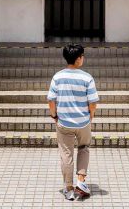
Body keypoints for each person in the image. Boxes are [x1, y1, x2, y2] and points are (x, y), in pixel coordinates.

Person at [47, 44, 99, 201]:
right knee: (84, 148)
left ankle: (69, 189)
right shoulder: (87, 77)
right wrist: (91, 116)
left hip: (64, 124)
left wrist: (55, 116)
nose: (83, 58)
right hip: (83, 122)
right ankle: (81, 181)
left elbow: (51, 100)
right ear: (78, 59)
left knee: (66, 155)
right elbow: (93, 102)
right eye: (82, 56)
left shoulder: (58, 77)